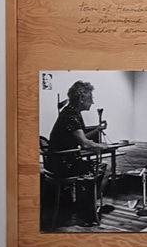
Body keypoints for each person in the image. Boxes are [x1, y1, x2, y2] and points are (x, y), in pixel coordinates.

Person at [46, 81, 109, 225]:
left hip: (59, 161)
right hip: (63, 164)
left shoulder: (71, 112)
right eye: (90, 97)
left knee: (94, 169)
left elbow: (81, 138)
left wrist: (98, 129)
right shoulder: (71, 115)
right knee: (103, 169)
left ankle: (86, 206)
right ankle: (87, 211)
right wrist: (102, 146)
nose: (92, 102)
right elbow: (85, 143)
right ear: (81, 98)